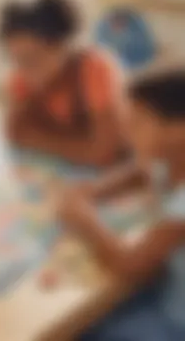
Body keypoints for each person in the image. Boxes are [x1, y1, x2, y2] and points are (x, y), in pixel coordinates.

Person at [59, 69, 185, 340]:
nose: (126, 128)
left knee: (82, 330)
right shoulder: (169, 158)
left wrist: (86, 221)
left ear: (179, 132)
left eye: (138, 121)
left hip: (176, 318)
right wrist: (96, 190)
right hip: (165, 280)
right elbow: (139, 170)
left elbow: (130, 265)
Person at [0, 0, 127, 167]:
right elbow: (15, 134)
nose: (23, 72)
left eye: (33, 59)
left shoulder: (95, 69)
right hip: (56, 172)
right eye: (16, 60)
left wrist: (39, 140)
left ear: (63, 46)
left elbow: (104, 152)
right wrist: (78, 147)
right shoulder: (22, 75)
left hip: (105, 177)